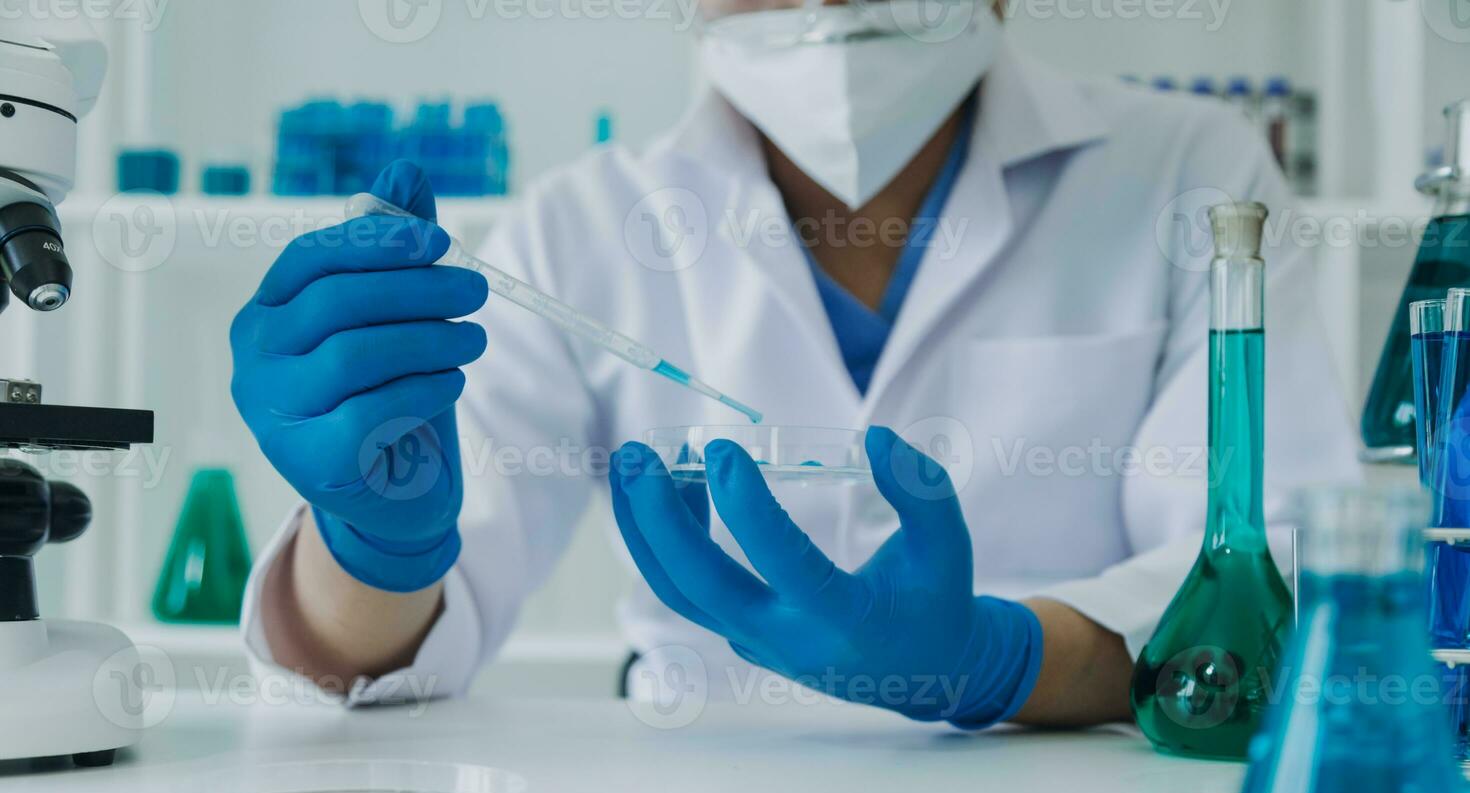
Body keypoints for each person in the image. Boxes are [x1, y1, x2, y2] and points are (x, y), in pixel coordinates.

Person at [229, 0, 1359, 727]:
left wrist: (1003, 660)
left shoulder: (1188, 177)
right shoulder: (583, 223)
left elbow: (1267, 570)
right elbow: (383, 652)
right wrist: (370, 541)